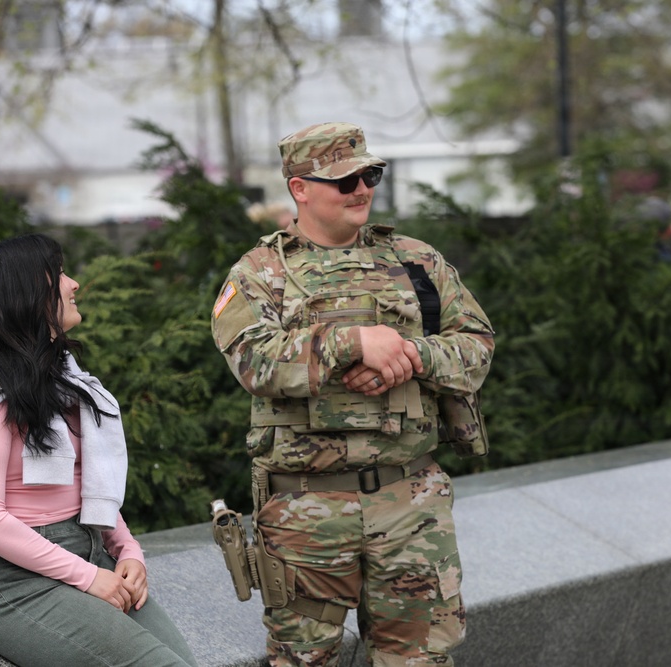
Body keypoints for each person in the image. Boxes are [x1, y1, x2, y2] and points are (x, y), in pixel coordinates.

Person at [211, 122, 495, 666]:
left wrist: (404, 358)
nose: (362, 189)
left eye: (370, 175)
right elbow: (253, 360)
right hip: (306, 512)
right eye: (345, 180)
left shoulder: (417, 261)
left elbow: (477, 345)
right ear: (300, 188)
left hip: (411, 503)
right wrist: (352, 343)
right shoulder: (260, 273)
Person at [0, 234, 198, 667]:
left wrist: (128, 551)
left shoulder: (63, 382)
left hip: (89, 552)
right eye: (61, 274)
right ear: (29, 295)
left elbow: (87, 488)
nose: (74, 284)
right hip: (12, 581)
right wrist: (89, 578)